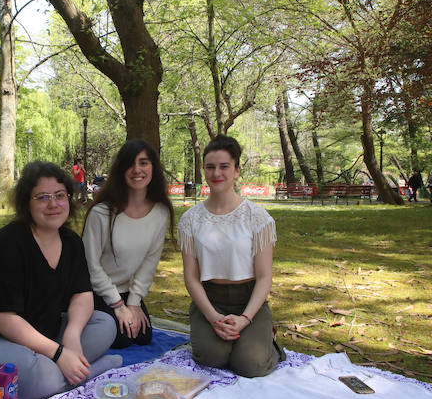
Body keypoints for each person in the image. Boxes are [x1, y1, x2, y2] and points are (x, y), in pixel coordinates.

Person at [0, 161, 120, 399]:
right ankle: (89, 370)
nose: (53, 204)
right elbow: (0, 319)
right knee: (41, 377)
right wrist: (59, 353)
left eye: (60, 195)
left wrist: (71, 336)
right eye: (42, 197)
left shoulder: (71, 242)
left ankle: (64, 367)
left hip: (40, 337)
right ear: (26, 203)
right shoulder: (6, 246)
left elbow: (82, 294)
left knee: (105, 323)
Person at [178, 135, 282, 378]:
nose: (217, 173)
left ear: (236, 170)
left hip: (249, 300)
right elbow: (191, 278)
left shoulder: (258, 218)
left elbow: (265, 276)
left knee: (250, 365)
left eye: (224, 166)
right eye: (210, 167)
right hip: (210, 300)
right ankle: (232, 340)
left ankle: (269, 341)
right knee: (211, 358)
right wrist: (213, 317)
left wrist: (245, 318)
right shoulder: (190, 220)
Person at [82, 140, 174, 349]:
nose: (137, 170)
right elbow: (91, 267)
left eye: (143, 163)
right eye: (130, 164)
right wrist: (118, 306)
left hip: (127, 291)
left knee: (143, 336)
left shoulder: (160, 213)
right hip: (96, 291)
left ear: (153, 168)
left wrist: (133, 303)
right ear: (121, 170)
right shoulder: (102, 213)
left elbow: (149, 262)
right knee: (122, 338)